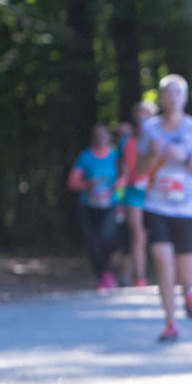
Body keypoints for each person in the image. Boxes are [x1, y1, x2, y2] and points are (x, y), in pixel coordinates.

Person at [138, 74, 192, 343]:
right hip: (157, 206)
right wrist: (152, 155)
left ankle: (189, 291)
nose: (171, 98)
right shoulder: (150, 129)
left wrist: (185, 159)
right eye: (167, 93)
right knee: (163, 263)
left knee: (185, 275)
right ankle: (171, 323)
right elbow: (138, 169)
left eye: (176, 93)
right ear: (160, 98)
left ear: (184, 97)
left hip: (188, 209)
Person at [67, 123, 123, 290]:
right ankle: (103, 276)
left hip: (110, 205)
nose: (100, 138)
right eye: (97, 134)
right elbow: (72, 182)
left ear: (108, 137)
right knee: (92, 242)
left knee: (107, 237)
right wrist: (87, 184)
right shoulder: (85, 156)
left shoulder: (115, 156)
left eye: (103, 134)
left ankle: (109, 272)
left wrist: (117, 187)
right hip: (89, 206)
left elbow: (126, 177)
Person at [118, 101, 158, 287]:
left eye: (148, 114)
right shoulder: (126, 142)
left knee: (154, 235)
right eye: (141, 114)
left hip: (156, 192)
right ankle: (140, 277)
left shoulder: (160, 139)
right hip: (133, 192)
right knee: (138, 234)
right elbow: (121, 169)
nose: (144, 118)